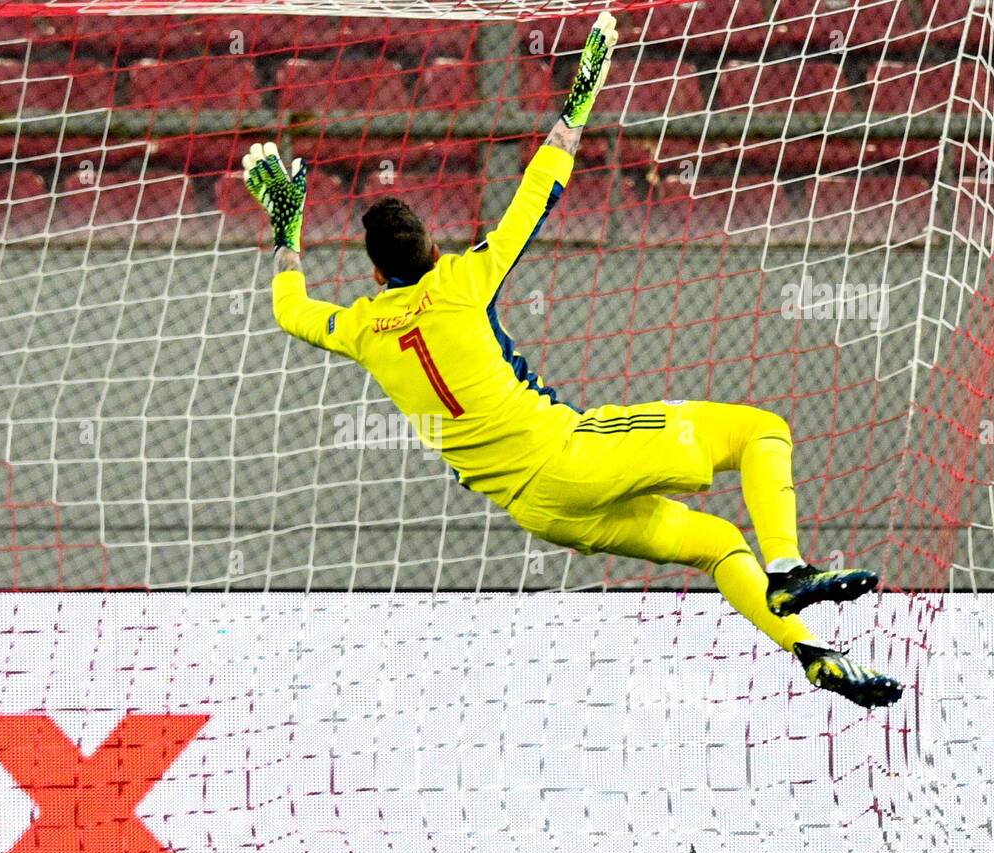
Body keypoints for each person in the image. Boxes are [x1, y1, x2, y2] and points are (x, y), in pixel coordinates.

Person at [241, 12, 901, 708]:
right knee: (761, 430)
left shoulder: (363, 327)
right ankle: (790, 567)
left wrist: (286, 229)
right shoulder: (466, 278)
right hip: (569, 455)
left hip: (538, 508)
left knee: (712, 541)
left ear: (376, 275)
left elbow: (289, 310)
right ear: (433, 246)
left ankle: (812, 652)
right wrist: (582, 90)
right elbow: (539, 188)